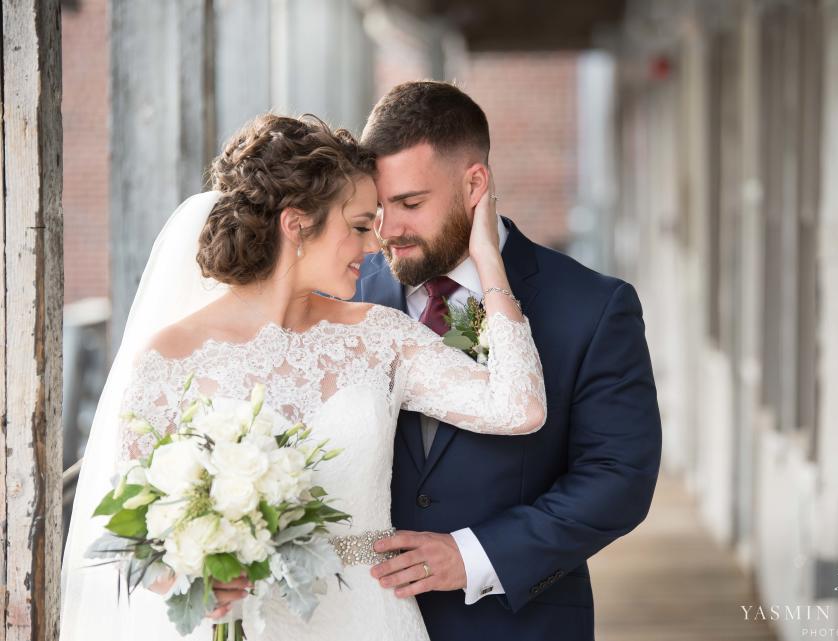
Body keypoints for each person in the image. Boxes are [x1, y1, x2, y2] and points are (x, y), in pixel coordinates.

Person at [59, 113, 546, 641]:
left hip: (369, 616)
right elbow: (125, 533)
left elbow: (519, 408)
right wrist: (192, 579)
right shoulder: (170, 354)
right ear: (296, 224)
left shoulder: (378, 337)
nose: (373, 246)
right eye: (360, 226)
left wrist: (487, 259)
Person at [355, 81, 662, 641]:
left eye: (410, 204)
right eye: (378, 207)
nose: (387, 230)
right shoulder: (340, 297)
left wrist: (472, 556)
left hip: (520, 624)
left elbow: (619, 478)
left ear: (475, 184)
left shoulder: (592, 307)